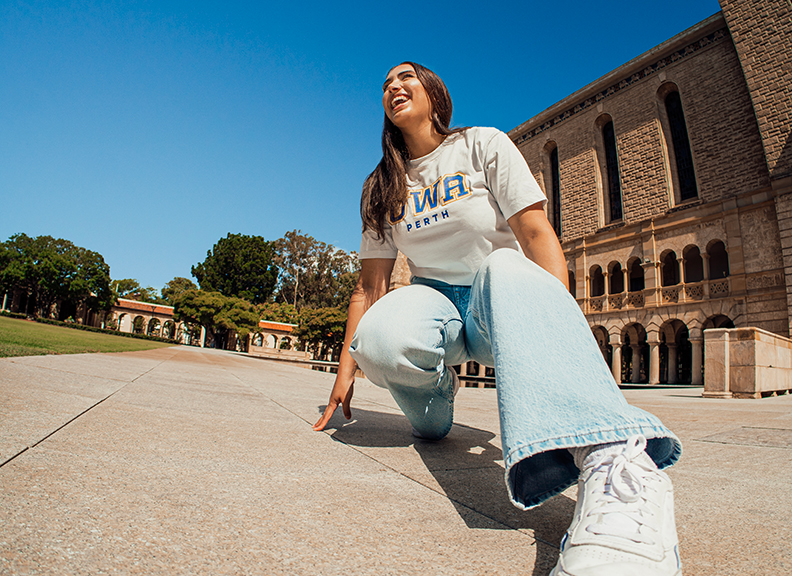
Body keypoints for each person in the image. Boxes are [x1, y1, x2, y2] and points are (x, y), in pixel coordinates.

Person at [313, 62, 683, 576]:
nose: (393, 86)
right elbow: (369, 287)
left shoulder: (482, 144)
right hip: (435, 308)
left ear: (434, 93)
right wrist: (344, 371)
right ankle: (438, 393)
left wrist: (557, 330)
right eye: (385, 84)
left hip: (495, 301)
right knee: (378, 339)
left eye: (406, 77)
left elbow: (535, 234)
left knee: (505, 263)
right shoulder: (380, 186)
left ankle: (616, 462)